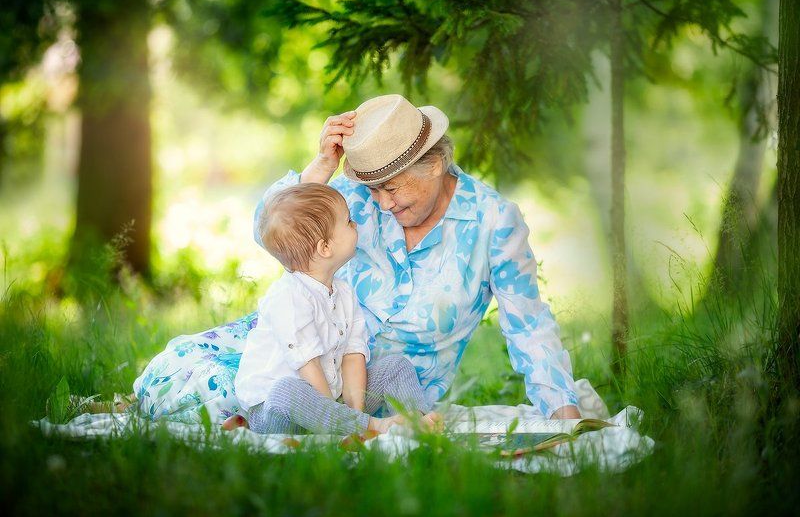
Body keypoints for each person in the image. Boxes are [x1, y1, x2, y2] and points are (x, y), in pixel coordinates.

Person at [132, 93, 581, 424]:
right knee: (171, 376)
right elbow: (270, 232)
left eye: (392, 187)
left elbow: (530, 328)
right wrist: (320, 170)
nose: (381, 204)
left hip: (381, 386)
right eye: (372, 189)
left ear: (435, 163)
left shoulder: (493, 223)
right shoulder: (354, 197)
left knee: (230, 405)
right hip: (297, 342)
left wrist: (564, 411)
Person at [229, 183, 439, 434]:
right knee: (285, 391)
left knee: (394, 367)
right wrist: (342, 420)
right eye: (348, 221)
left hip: (333, 398)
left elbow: (353, 355)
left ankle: (414, 421)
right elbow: (308, 364)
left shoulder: (344, 293)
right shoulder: (288, 296)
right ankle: (370, 428)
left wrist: (354, 411)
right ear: (324, 248)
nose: (356, 225)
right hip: (278, 411)